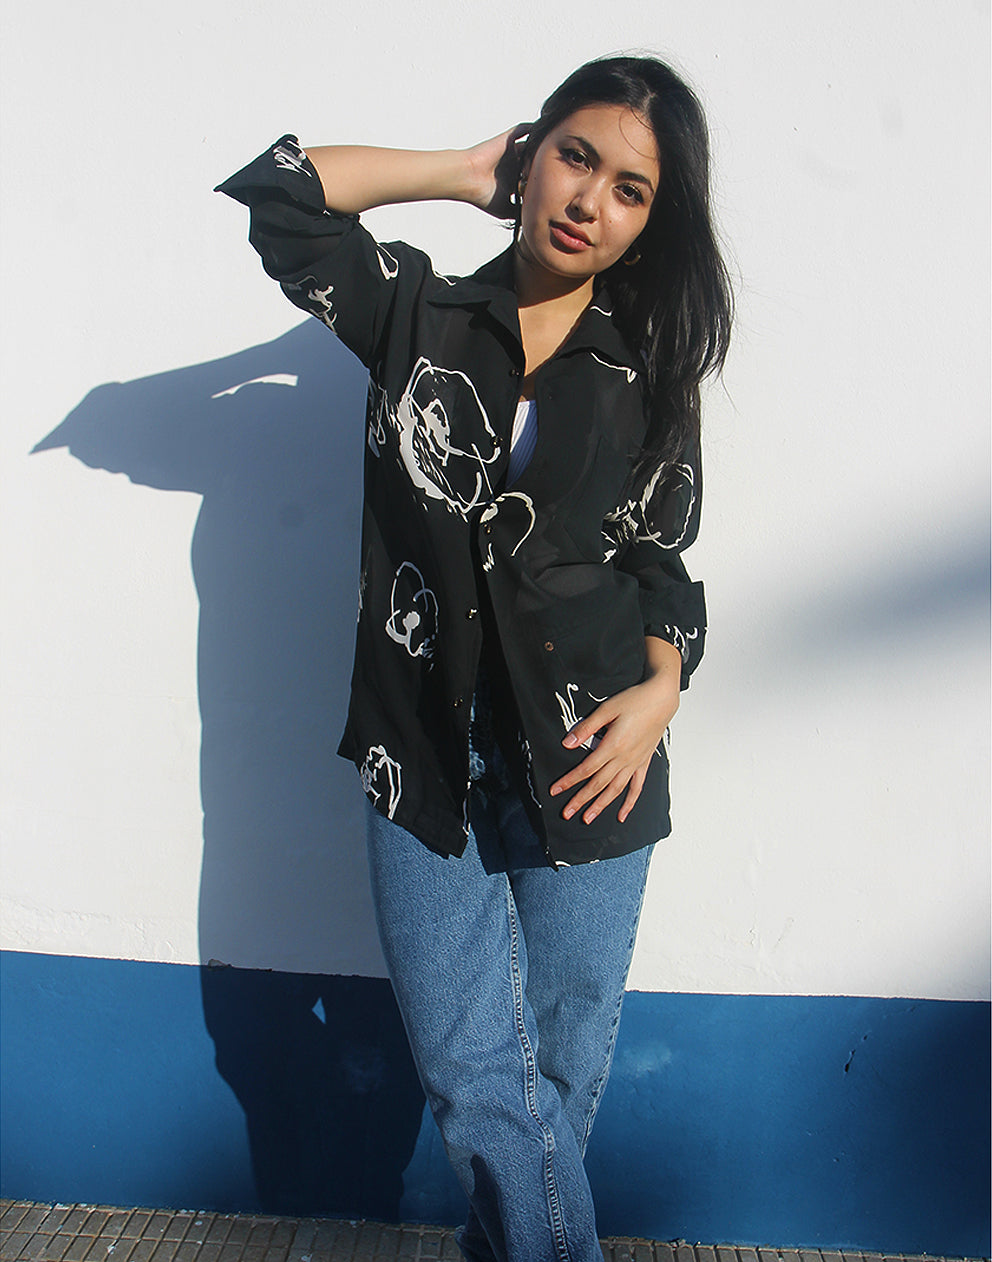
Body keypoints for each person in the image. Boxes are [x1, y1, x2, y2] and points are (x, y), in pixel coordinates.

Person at [217, 53, 732, 1262]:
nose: (588, 198)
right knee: (477, 1079)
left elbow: (661, 559)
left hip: (593, 755)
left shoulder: (648, 375)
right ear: (532, 151)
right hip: (419, 747)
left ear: (650, 222)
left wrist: (660, 689)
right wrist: (461, 172)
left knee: (555, 1079)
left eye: (630, 189)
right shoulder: (417, 311)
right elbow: (283, 195)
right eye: (574, 156)